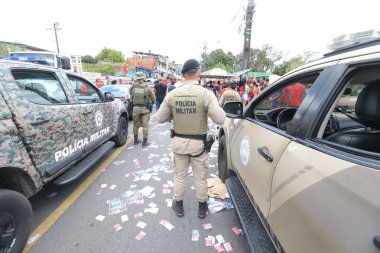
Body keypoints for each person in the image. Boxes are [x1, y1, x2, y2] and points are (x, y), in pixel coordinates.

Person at [156, 59, 226, 219]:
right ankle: (202, 207)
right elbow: (221, 119)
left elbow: (160, 118)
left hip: (179, 144)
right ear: (199, 74)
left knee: (180, 176)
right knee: (200, 178)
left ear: (182, 75)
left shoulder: (172, 95)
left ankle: (178, 204)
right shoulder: (206, 94)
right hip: (199, 146)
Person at [130, 72, 155, 147]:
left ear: (137, 78)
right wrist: (152, 103)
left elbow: (131, 97)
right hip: (145, 109)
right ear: (143, 78)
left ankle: (135, 140)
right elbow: (153, 97)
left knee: (135, 125)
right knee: (145, 126)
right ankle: (144, 142)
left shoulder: (133, 87)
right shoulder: (147, 87)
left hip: (135, 109)